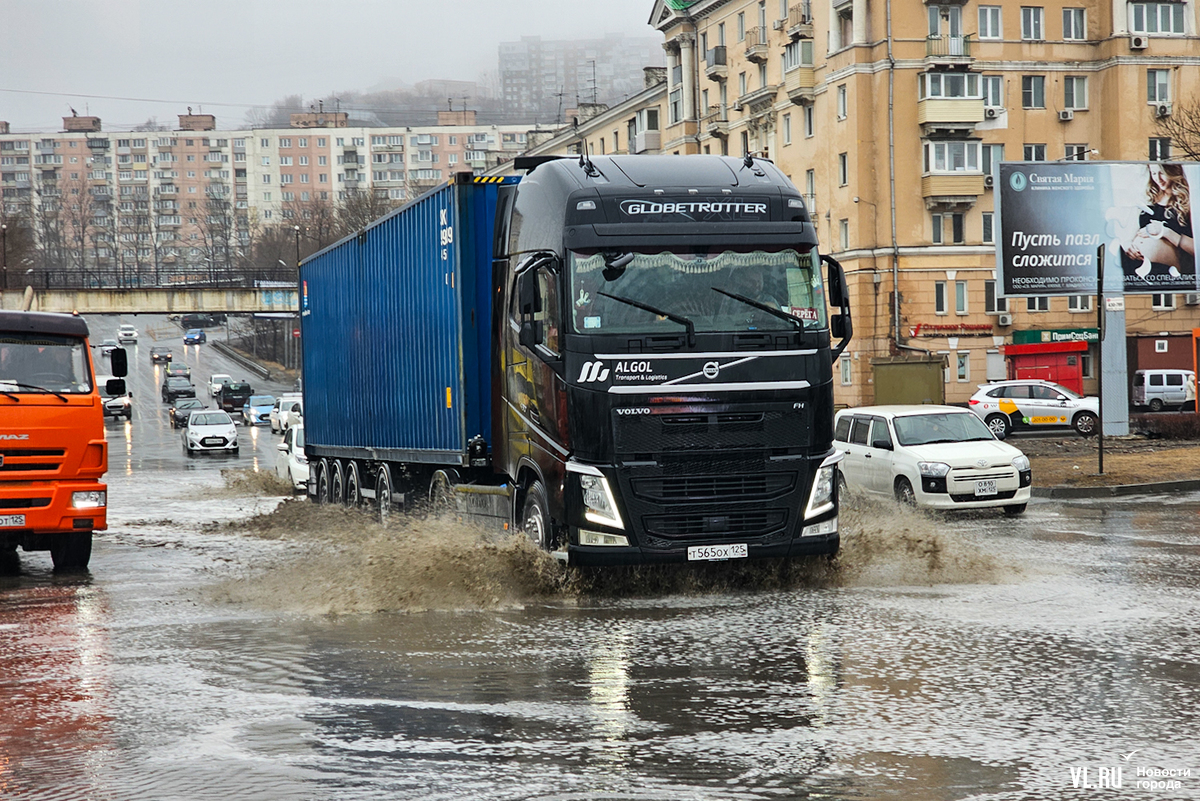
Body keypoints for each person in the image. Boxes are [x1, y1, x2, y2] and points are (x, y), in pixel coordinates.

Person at [1123, 163, 1194, 281]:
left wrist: (1166, 232)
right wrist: (1127, 245)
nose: (1158, 178)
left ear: (1173, 172)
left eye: (1162, 173)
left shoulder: (1188, 203)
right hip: (1136, 267)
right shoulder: (1149, 198)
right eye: (1154, 173)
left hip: (1169, 273)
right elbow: (1130, 233)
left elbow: (1196, 249)